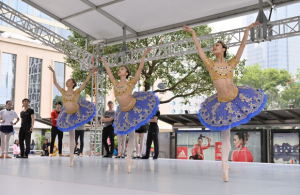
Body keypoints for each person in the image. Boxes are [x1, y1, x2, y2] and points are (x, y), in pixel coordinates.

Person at [182, 22, 267, 182]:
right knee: (225, 135)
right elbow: (199, 49)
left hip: (236, 98)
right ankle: (224, 165)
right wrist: (193, 33)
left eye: (217, 45)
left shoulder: (231, 63)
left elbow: (242, 46)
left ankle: (225, 165)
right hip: (221, 103)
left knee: (227, 134)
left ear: (224, 49)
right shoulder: (210, 64)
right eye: (213, 45)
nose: (214, 47)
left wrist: (247, 29)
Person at [100, 47, 160, 173]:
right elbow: (109, 73)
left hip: (133, 108)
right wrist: (105, 63)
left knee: (132, 134)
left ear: (126, 73)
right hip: (123, 111)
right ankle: (126, 156)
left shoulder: (131, 83)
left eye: (122, 69)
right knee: (125, 135)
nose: (119, 70)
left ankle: (128, 158)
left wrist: (143, 55)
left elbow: (139, 69)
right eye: (119, 69)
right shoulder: (115, 83)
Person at [48, 65, 98, 167]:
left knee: (73, 136)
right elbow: (55, 83)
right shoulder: (63, 91)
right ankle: (72, 155)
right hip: (67, 114)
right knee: (72, 136)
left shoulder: (76, 92)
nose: (67, 82)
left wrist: (91, 73)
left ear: (73, 84)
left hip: (76, 113)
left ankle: (72, 155)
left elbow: (85, 82)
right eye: (67, 81)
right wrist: (53, 72)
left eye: (69, 81)